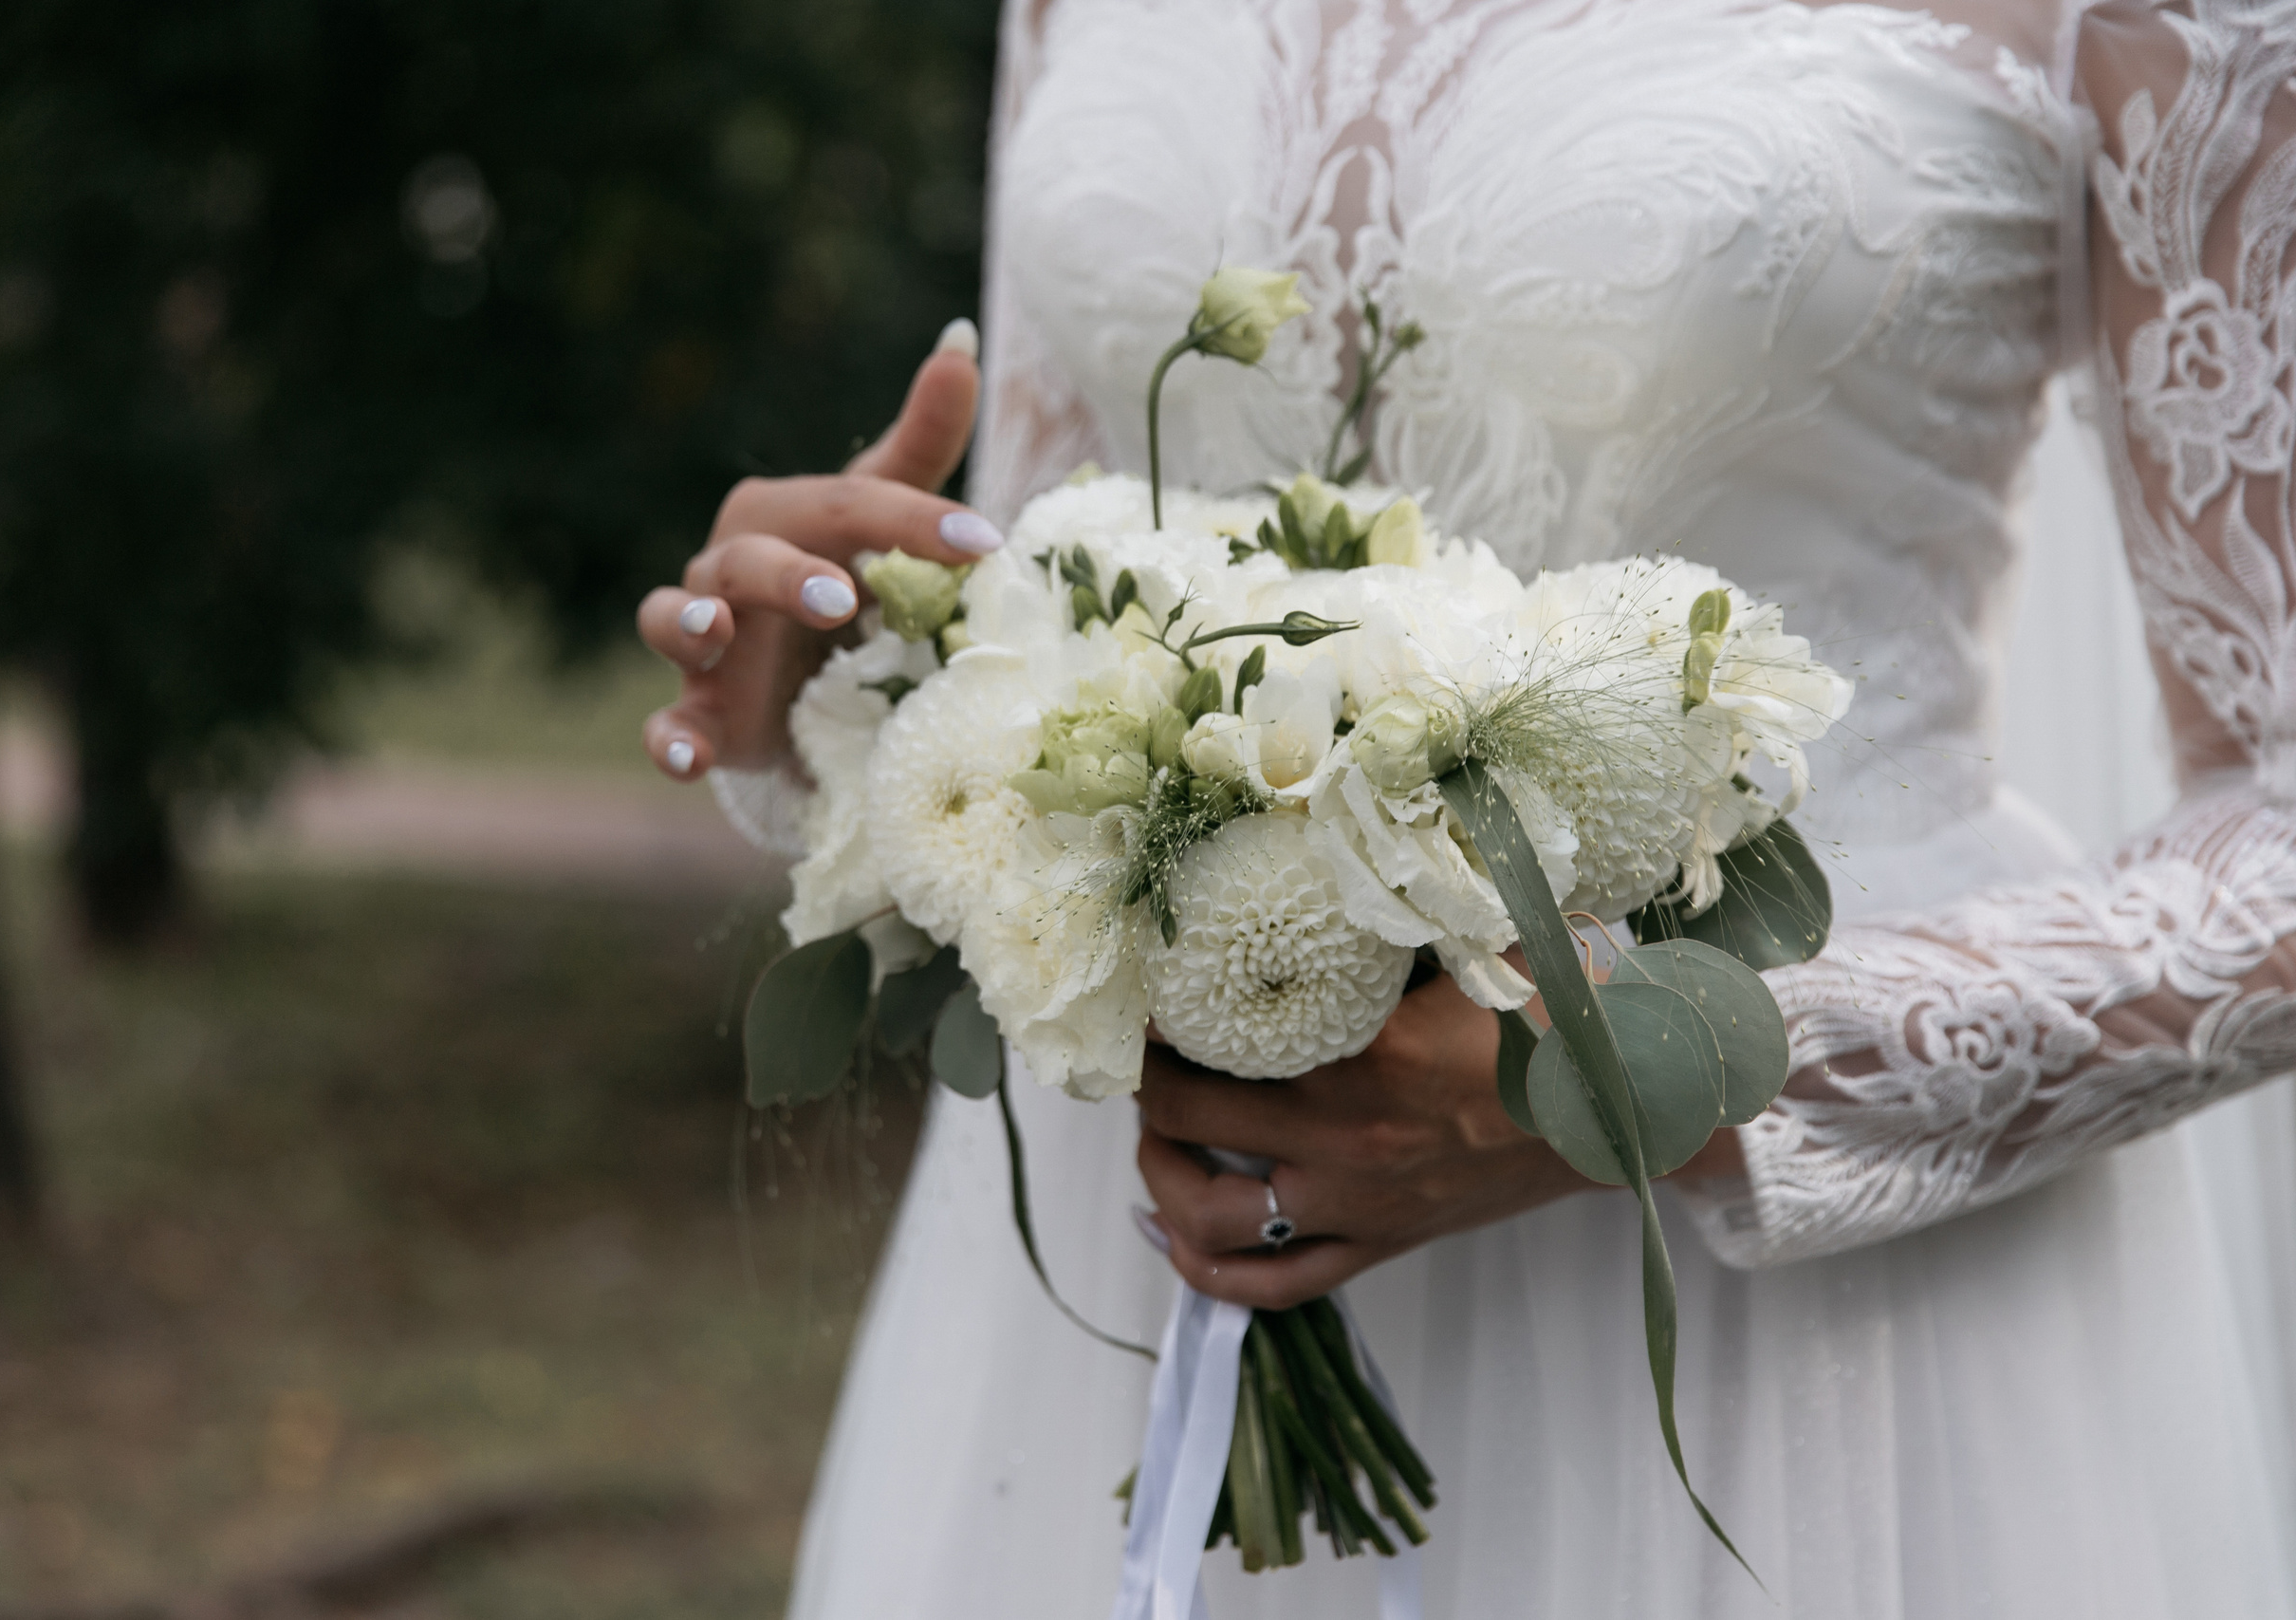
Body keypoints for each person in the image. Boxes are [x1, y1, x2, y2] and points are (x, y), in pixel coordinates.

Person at [640, 2, 2296, 1613]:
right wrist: (847, 691)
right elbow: (1064, 568)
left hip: (1800, 1342)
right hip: (1160, 1235)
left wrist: (1658, 1084)